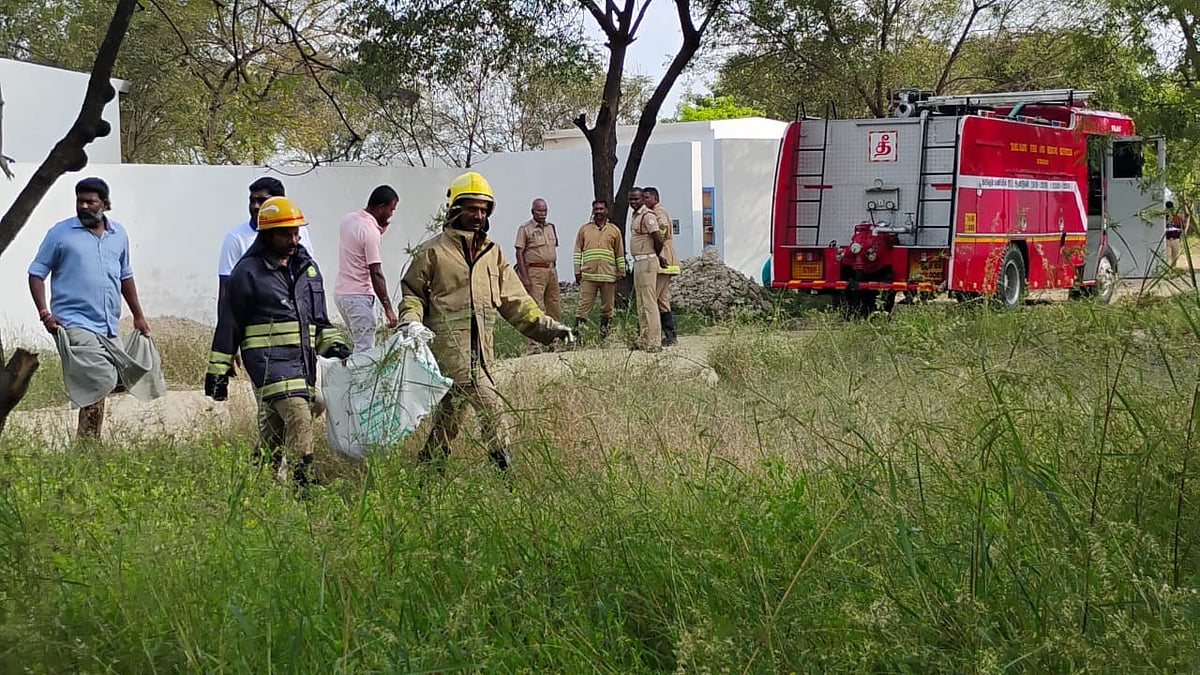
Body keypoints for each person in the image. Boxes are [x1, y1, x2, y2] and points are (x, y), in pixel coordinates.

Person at [398, 171, 574, 473]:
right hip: (449, 353)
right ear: (455, 208)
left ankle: (426, 472)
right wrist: (410, 321)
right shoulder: (433, 251)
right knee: (493, 409)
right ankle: (506, 477)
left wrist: (549, 328)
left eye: (483, 209)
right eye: (471, 208)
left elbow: (515, 301)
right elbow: (412, 293)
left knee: (450, 416)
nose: (478, 215)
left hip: (483, 354)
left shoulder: (492, 253)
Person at [205, 196, 351, 487]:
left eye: (296, 232)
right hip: (268, 364)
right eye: (286, 233)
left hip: (302, 364)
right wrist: (218, 370)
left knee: (274, 430)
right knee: (299, 417)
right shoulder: (247, 273)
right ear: (268, 234)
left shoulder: (307, 269)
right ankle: (303, 485)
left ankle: (259, 482)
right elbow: (229, 323)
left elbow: (319, 321)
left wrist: (334, 345)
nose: (294, 239)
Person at [28, 177, 157, 439]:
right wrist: (44, 314)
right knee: (99, 378)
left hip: (108, 324)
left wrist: (138, 316)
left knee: (116, 376)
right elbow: (36, 273)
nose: (84, 206)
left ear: (105, 204)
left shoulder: (118, 234)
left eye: (91, 201)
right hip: (73, 323)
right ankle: (87, 444)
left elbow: (125, 276)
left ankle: (89, 441)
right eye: (80, 201)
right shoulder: (60, 234)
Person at [217, 177, 314, 306]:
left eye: (262, 201)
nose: (255, 206)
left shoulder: (300, 231)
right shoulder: (235, 238)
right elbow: (226, 288)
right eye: (252, 200)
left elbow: (307, 275)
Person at [334, 185, 400, 352]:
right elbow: (376, 272)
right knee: (365, 352)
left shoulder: (349, 219)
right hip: (358, 297)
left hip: (342, 294)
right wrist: (388, 309)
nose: (392, 214)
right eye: (391, 209)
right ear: (381, 207)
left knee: (358, 346)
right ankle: (358, 379)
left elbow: (358, 245)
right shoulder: (370, 232)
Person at [572, 199, 626, 338]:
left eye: (601, 209)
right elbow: (578, 251)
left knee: (607, 308)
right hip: (588, 276)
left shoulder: (614, 230)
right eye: (596, 209)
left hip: (608, 275)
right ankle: (577, 338)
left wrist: (621, 271)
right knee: (583, 307)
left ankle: (604, 336)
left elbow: (619, 252)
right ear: (592, 210)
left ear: (606, 211)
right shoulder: (584, 230)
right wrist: (577, 271)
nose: (599, 212)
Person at [515, 198, 561, 352]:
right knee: (535, 307)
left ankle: (553, 342)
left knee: (554, 306)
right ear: (532, 211)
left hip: (552, 271)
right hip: (535, 271)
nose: (542, 213)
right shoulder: (525, 229)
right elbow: (519, 253)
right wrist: (524, 277)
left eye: (544, 210)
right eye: (539, 210)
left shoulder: (551, 227)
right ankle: (533, 345)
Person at [630, 187, 668, 352]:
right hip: (638, 262)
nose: (633, 202)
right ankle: (644, 339)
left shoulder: (647, 216)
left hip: (647, 261)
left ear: (643, 200)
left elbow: (658, 238)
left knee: (649, 302)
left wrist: (656, 254)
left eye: (637, 199)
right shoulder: (636, 215)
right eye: (631, 199)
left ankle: (654, 341)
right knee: (641, 302)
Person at [642, 186, 681, 346]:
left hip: (663, 256)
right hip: (666, 255)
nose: (645, 201)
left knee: (653, 297)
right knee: (661, 299)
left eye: (647, 198)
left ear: (655, 199)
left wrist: (658, 243)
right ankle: (670, 335)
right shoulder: (656, 212)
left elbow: (663, 227)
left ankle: (650, 335)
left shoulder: (657, 212)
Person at [1166, 200, 1186, 268]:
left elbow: (1182, 228)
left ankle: (1173, 269)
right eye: (1168, 208)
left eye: (1170, 208)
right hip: (1166, 240)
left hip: (1176, 239)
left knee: (1175, 256)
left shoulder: (1177, 218)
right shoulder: (1164, 218)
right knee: (1167, 256)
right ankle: (1167, 270)